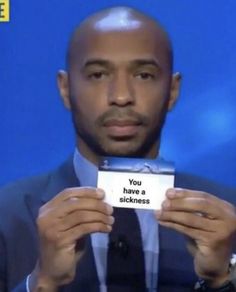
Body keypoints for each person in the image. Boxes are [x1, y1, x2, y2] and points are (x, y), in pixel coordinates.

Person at [0, 6, 235, 292]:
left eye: (144, 75)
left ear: (172, 91)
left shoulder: (228, 218)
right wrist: (42, 283)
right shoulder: (6, 217)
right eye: (98, 75)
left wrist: (224, 280)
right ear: (65, 89)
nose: (122, 96)